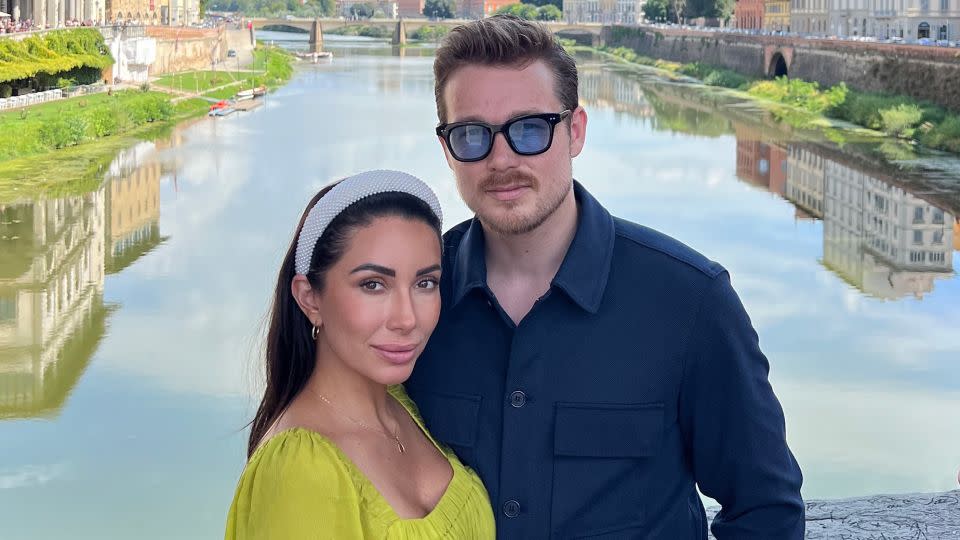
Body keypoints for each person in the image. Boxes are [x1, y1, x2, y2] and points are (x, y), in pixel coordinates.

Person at [405, 15, 806, 539]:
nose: (501, 159)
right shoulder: (410, 301)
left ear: (575, 132)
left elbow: (766, 510)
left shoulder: (689, 302)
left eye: (530, 129)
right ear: (447, 149)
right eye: (472, 135)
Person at [226, 170, 495, 539]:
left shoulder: (406, 406)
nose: (407, 318)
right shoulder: (300, 470)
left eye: (425, 283)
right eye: (373, 285)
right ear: (310, 298)